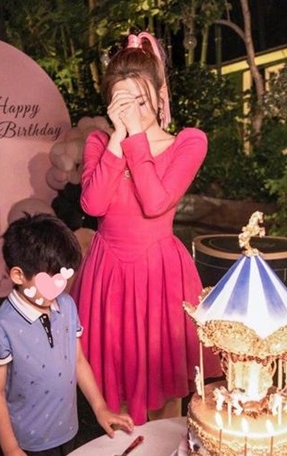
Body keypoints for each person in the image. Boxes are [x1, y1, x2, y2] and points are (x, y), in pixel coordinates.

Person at [70, 31, 215, 425]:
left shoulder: (188, 142)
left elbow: (155, 203)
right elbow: (93, 205)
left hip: (159, 274)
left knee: (164, 384)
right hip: (107, 274)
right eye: (122, 101)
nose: (132, 110)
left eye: (140, 99)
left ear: (161, 93)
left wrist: (136, 138)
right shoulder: (100, 142)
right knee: (112, 380)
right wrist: (119, 137)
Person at [0, 213, 134, 456]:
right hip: (26, 441)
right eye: (51, 279)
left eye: (63, 277)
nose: (59, 286)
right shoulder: (1, 326)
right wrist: (10, 447)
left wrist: (100, 407)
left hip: (67, 430)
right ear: (18, 275)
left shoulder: (67, 306)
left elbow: (78, 361)